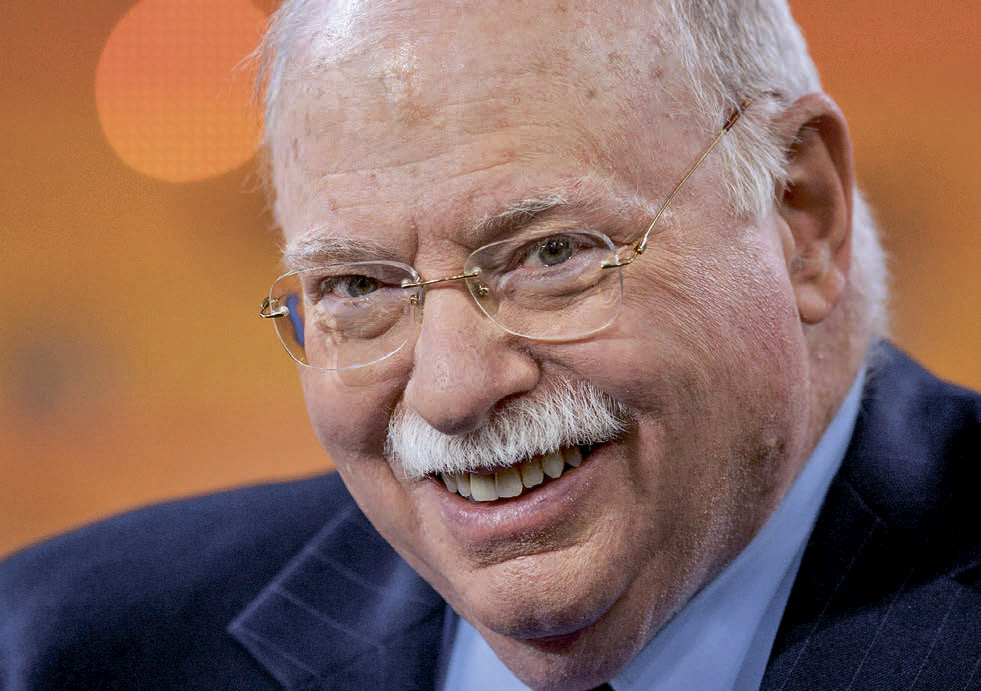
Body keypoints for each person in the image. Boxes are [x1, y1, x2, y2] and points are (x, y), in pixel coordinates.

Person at [1, 1, 978, 689]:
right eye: (357, 286)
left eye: (549, 253)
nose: (451, 389)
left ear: (799, 213)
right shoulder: (60, 650)